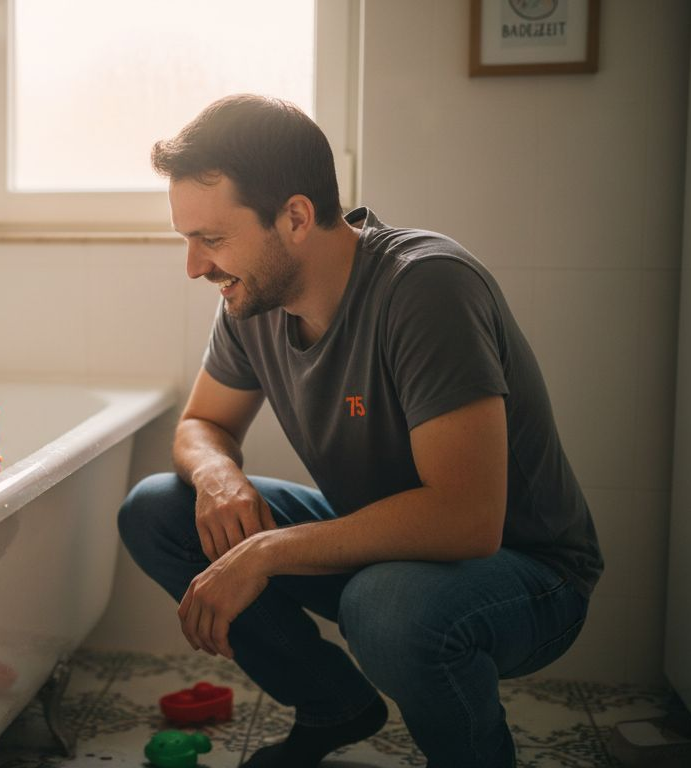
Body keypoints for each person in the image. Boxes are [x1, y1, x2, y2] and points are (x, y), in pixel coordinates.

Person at [118, 94, 602, 768]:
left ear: (294, 217)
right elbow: (202, 423)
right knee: (159, 509)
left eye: (213, 239)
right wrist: (216, 473)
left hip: (526, 574)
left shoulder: (426, 287)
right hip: (381, 548)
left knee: (386, 605)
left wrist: (262, 553)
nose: (195, 266)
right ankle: (333, 704)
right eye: (188, 239)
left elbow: (467, 519)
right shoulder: (250, 299)